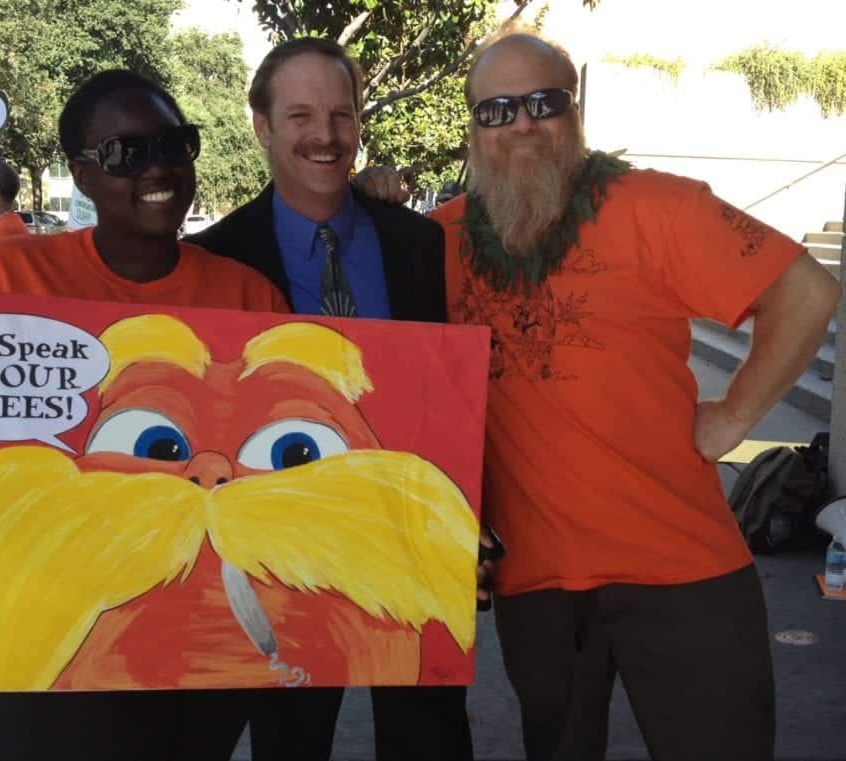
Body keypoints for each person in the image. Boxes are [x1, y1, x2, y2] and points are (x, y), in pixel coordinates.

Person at [423, 32, 842, 761]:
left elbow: (806, 292)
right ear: (472, 127)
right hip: (537, 584)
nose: (520, 123)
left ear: (572, 113)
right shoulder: (439, 240)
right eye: (496, 110)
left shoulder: (656, 207)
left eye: (541, 103)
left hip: (683, 569)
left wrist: (732, 416)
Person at [0, 69, 287, 761]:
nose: (159, 166)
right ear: (80, 173)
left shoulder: (249, 297)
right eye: (125, 154)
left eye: (174, 144)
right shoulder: (4, 279)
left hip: (206, 631)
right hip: (52, 625)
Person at [187, 36, 487, 761]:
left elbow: (456, 388)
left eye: (342, 115)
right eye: (300, 116)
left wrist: (479, 523)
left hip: (409, 535)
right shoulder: (218, 259)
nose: (325, 135)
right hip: (278, 542)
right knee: (290, 740)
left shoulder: (419, 241)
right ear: (261, 126)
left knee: (431, 738)